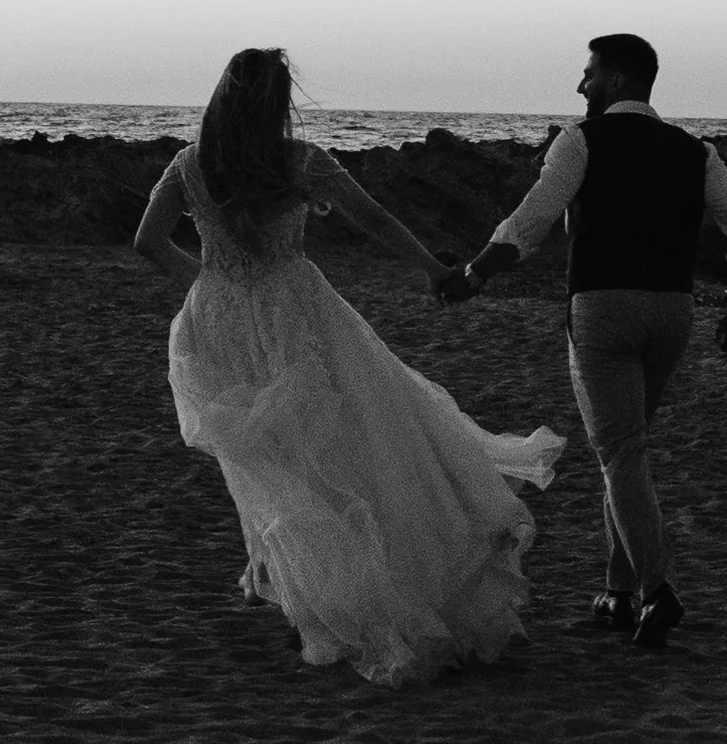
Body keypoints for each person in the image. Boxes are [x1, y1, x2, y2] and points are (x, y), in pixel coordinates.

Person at [134, 48, 564, 688]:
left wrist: (207, 285)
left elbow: (147, 240)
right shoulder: (298, 161)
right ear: (278, 102)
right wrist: (433, 269)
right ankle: (316, 577)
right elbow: (372, 218)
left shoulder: (191, 165)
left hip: (218, 321)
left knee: (265, 457)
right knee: (349, 442)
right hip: (297, 312)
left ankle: (281, 574)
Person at [439, 33, 727, 651]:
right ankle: (616, 592)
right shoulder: (696, 151)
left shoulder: (581, 142)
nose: (580, 85)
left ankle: (656, 589)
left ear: (616, 80)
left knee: (620, 452)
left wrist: (474, 276)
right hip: (673, 310)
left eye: (588, 74)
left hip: (603, 308)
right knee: (627, 450)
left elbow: (531, 218)